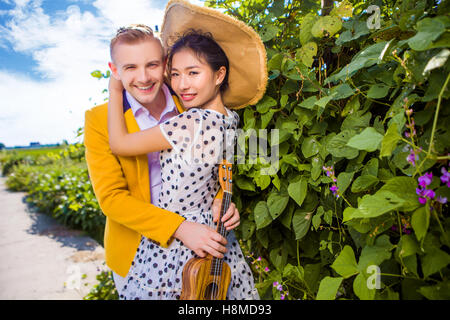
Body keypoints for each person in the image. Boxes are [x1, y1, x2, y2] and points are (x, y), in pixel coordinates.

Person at [106, 0, 267, 300]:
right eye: (176, 74)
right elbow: (217, 173)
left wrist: (115, 89)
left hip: (179, 246)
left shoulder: (192, 119)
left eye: (193, 73)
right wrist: (222, 200)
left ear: (219, 76)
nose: (182, 85)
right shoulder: (231, 119)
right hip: (211, 237)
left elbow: (120, 144)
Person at [84, 23, 242, 298]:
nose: (143, 77)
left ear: (165, 64)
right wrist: (179, 228)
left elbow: (214, 162)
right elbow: (111, 198)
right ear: (115, 71)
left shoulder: (191, 104)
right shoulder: (100, 120)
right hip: (137, 254)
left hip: (198, 248)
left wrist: (222, 199)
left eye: (152, 65)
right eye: (130, 67)